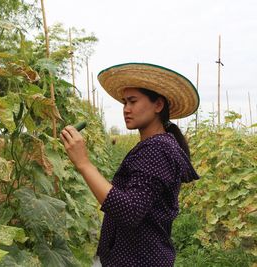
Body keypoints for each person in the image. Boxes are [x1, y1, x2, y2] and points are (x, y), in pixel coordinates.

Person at [60, 63, 200, 267]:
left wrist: (83, 163)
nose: (126, 109)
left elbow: (130, 211)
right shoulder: (154, 145)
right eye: (124, 102)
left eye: (133, 101)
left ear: (158, 105)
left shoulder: (158, 148)